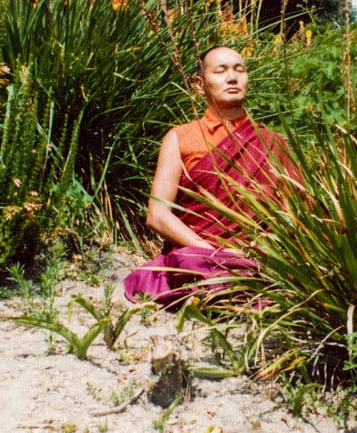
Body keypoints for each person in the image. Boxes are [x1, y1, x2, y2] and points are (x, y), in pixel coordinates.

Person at [123, 45, 294, 306]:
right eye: (221, 71)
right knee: (188, 261)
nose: (233, 78)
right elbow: (157, 215)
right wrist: (212, 249)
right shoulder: (181, 138)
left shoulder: (272, 141)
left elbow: (297, 212)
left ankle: (238, 284)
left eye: (239, 70)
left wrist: (267, 250)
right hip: (203, 254)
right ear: (199, 84)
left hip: (260, 253)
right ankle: (247, 287)